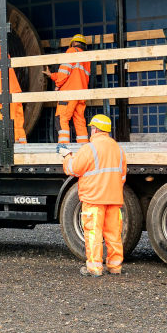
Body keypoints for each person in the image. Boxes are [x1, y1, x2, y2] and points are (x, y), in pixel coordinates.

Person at [59, 113, 126, 276]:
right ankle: (115, 266)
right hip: (114, 199)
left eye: (91, 129)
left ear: (95, 130)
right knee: (113, 234)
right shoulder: (118, 149)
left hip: (94, 199)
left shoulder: (89, 149)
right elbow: (122, 176)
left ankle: (95, 268)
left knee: (93, 234)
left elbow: (72, 169)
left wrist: (66, 156)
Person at [45, 33, 91, 143]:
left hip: (68, 94)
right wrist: (51, 75)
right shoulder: (87, 59)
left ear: (74, 43)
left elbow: (64, 72)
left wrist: (57, 85)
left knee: (61, 119)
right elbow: (74, 75)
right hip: (81, 95)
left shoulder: (71, 51)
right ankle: (84, 148)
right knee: (80, 122)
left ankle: (63, 147)